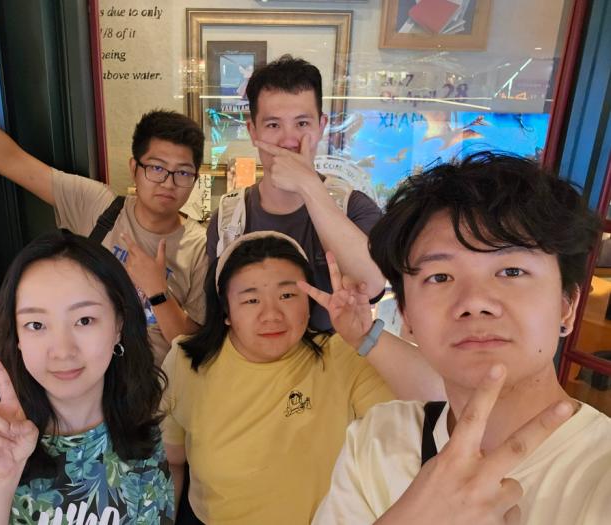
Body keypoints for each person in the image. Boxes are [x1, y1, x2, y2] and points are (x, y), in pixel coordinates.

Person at [312, 152, 611, 524]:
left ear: (567, 305)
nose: (474, 302)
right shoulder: (378, 439)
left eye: (512, 271)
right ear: (407, 316)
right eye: (439, 277)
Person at [0, 13, 207, 363]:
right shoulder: (97, 205)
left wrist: (158, 292)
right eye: (156, 168)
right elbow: (9, 159)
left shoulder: (199, 246)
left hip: (157, 388)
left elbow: (194, 346)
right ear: (134, 168)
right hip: (85, 376)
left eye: (183, 173)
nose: (168, 183)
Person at [162, 231, 443, 525]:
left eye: (287, 295)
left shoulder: (341, 355)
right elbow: (173, 462)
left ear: (309, 304)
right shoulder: (187, 361)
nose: (271, 315)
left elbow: (440, 399)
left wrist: (364, 336)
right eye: (251, 300)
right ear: (226, 312)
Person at [0, 231, 174, 524]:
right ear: (17, 336)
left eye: (84, 320)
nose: (63, 351)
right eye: (36, 324)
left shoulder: (139, 421)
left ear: (119, 324)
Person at [206, 55, 385, 332]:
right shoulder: (228, 220)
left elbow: (370, 287)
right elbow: (219, 316)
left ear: (321, 126)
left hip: (334, 357)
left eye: (302, 124)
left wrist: (308, 185)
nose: (289, 141)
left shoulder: (354, 207)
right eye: (273, 125)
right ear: (252, 131)